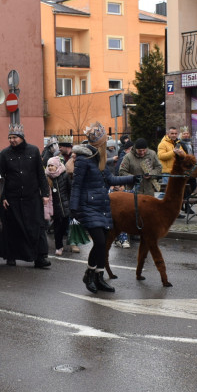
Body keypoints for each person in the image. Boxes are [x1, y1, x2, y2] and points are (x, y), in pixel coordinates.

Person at [69, 122, 136, 293]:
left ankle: (99, 277)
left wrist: (132, 178)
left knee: (104, 242)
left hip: (102, 205)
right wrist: (74, 207)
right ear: (100, 142)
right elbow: (76, 185)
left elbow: (111, 180)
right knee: (99, 241)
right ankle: (89, 274)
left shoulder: (100, 158)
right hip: (88, 205)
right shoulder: (84, 160)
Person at [0, 123, 51, 268]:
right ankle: (11, 256)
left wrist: (45, 193)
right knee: (14, 229)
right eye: (10, 137)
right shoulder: (5, 154)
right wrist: (3, 197)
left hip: (32, 198)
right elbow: (0, 177)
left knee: (37, 227)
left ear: (21, 137)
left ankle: (40, 257)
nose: (12, 140)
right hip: (13, 199)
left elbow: (41, 174)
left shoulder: (33, 151)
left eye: (15, 137)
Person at [45, 156, 71, 256]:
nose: (51, 167)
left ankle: (62, 244)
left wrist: (70, 203)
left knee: (64, 226)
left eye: (52, 165)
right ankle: (58, 246)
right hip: (54, 208)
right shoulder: (47, 177)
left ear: (57, 166)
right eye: (49, 166)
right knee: (57, 228)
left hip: (65, 206)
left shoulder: (64, 176)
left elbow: (70, 190)